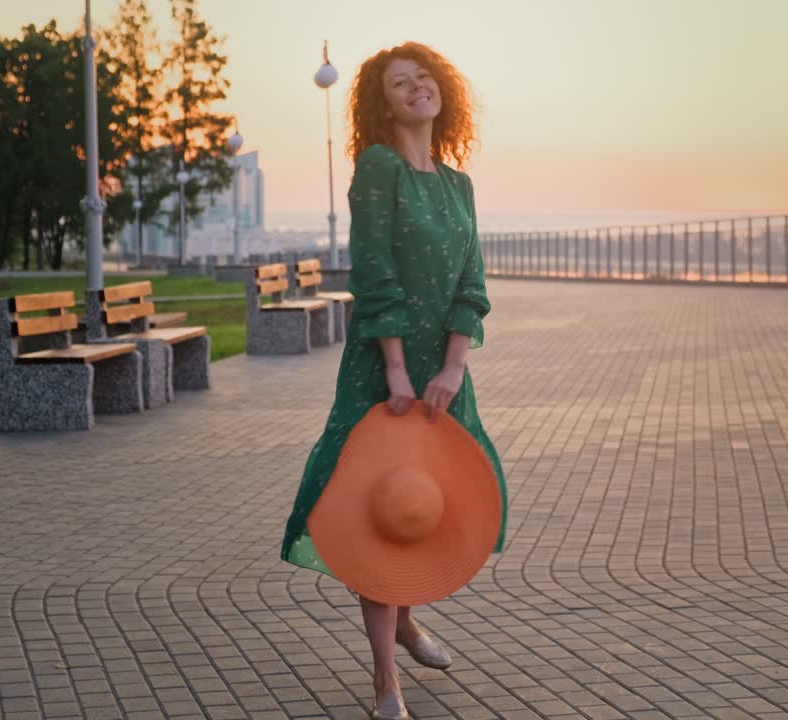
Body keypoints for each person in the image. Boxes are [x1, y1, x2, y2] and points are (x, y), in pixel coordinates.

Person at [280, 41, 508, 720]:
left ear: (443, 91)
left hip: (442, 374)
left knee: (425, 503)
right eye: (400, 84)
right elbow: (373, 272)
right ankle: (388, 682)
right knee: (378, 507)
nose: (417, 89)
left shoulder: (458, 183)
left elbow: (472, 283)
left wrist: (453, 364)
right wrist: (397, 370)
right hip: (385, 372)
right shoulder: (377, 169)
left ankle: (405, 624)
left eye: (424, 78)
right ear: (382, 106)